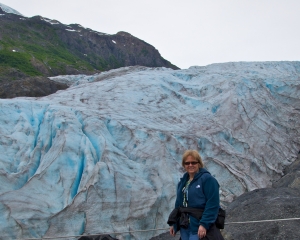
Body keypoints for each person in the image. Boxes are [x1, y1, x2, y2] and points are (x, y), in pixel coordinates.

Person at [168, 150, 224, 240]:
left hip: (198, 226)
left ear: (199, 163)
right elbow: (178, 205)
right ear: (184, 165)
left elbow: (213, 204)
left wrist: (204, 224)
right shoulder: (183, 182)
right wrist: (174, 223)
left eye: (193, 162)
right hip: (185, 227)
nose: (190, 165)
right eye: (187, 163)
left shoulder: (208, 179)